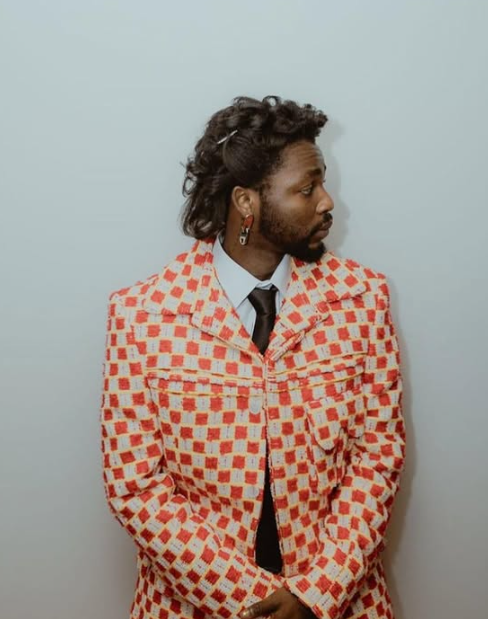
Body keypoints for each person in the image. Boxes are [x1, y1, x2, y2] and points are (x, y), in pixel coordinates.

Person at [100, 95, 406, 619]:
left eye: (323, 183)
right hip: (191, 605)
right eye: (307, 188)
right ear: (246, 201)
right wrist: (249, 600)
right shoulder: (142, 314)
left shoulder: (361, 298)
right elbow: (136, 487)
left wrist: (315, 595)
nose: (327, 202)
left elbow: (377, 457)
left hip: (339, 603)